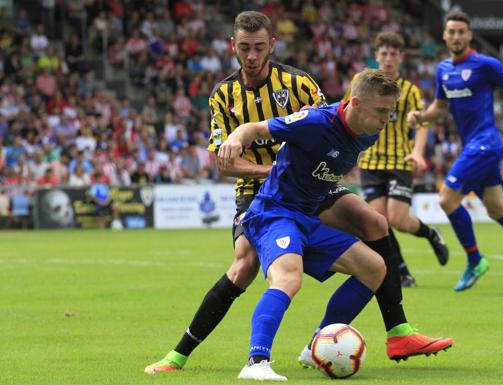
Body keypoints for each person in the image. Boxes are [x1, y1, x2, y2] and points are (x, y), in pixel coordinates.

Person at [145, 11, 452, 375]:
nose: (252, 55)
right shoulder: (223, 95)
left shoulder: (308, 89)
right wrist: (254, 150)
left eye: (259, 47)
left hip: (310, 190)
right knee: (247, 267)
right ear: (233, 47)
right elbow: (230, 159)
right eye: (245, 48)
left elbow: (337, 120)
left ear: (272, 44)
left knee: (375, 230)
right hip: (266, 193)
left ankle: (389, 332)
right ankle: (190, 354)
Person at [220, 69, 449, 381]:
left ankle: (316, 344)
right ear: (354, 103)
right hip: (274, 213)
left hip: (308, 218)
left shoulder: (369, 132)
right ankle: (256, 361)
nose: (386, 120)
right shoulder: (314, 123)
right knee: (288, 278)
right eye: (381, 111)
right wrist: (235, 137)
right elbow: (254, 128)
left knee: (375, 268)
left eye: (391, 112)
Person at [409, 10, 503, 292]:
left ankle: (475, 259)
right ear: (444, 35)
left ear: (469, 35)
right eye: (451, 32)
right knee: (496, 208)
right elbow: (440, 109)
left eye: (460, 32)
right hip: (474, 146)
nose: (455, 36)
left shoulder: (485, 64)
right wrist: (421, 118)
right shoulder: (443, 70)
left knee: (446, 199)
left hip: (486, 142)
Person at [344, 32, 449, 288]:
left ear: (401, 57)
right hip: (370, 163)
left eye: (393, 54)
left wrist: (418, 152)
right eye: (384, 53)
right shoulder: (361, 81)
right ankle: (401, 272)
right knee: (380, 223)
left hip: (400, 160)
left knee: (399, 220)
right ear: (376, 55)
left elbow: (422, 122)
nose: (388, 59)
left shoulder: (410, 90)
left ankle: (431, 233)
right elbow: (346, 111)